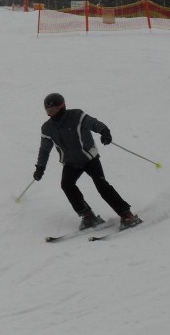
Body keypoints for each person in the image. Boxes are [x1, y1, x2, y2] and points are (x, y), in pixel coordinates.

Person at [33, 93, 142, 231]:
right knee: (66, 185)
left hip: (89, 159)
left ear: (61, 107)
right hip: (70, 163)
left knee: (101, 185)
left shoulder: (76, 115)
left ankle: (127, 214)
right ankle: (88, 215)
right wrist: (40, 167)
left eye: (53, 110)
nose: (51, 113)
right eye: (48, 111)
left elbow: (93, 123)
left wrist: (104, 131)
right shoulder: (47, 128)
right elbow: (44, 150)